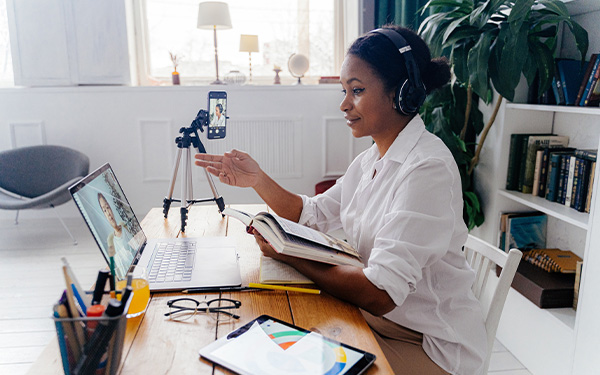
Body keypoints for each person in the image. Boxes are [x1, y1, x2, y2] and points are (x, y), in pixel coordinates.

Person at [194, 25, 487, 375]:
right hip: (378, 321)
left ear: (403, 93)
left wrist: (290, 253)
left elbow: (380, 293)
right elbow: (311, 214)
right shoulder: (371, 160)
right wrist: (257, 179)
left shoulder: (427, 169)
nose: (344, 104)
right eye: (345, 90)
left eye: (357, 91)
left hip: (428, 344)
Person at [98, 192, 136, 279]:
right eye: (104, 210)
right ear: (104, 215)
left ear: (111, 208)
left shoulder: (124, 225)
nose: (108, 213)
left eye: (108, 208)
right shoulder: (111, 240)